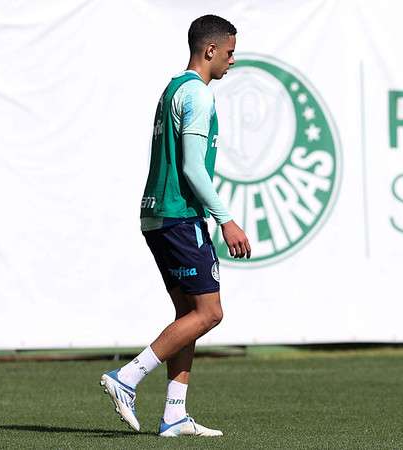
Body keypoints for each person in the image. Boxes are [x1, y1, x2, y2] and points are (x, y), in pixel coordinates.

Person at [99, 14, 250, 438]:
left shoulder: (173, 89)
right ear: (210, 50)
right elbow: (192, 169)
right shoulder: (198, 96)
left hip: (157, 215)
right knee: (210, 312)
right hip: (180, 215)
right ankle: (127, 377)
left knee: (188, 313)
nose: (232, 61)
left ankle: (174, 415)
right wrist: (227, 220)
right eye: (230, 52)